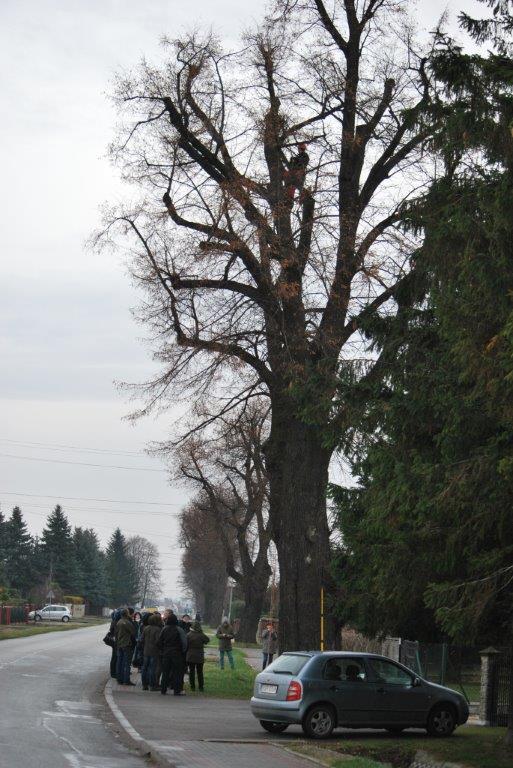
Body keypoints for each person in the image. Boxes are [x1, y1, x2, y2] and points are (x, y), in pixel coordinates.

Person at [158, 614, 188, 696]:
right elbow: (184, 642)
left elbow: (159, 641)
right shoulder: (179, 629)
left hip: (166, 653)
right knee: (177, 672)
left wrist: (162, 650)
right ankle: (177, 690)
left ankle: (163, 689)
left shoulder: (164, 629)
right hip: (177, 653)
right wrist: (183, 651)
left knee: (165, 672)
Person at [186, 620, 210, 692]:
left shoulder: (188, 634)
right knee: (200, 672)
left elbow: (186, 644)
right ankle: (201, 687)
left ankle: (192, 686)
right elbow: (207, 640)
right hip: (199, 655)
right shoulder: (201, 635)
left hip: (190, 655)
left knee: (191, 671)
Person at [115, 608, 136, 685]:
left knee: (119, 662)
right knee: (127, 663)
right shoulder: (127, 622)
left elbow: (116, 633)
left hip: (120, 644)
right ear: (127, 614)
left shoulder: (119, 621)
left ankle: (119, 679)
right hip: (126, 644)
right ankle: (126, 680)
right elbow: (133, 632)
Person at [141, 613, 162, 691]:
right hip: (154, 651)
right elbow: (158, 641)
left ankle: (144, 685)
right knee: (152, 668)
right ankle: (152, 685)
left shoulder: (146, 628)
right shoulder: (158, 629)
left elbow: (142, 639)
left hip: (146, 650)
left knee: (145, 668)